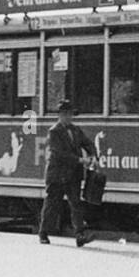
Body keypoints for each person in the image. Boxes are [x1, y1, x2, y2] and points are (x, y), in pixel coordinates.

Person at [39, 99, 97, 246]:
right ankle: (43, 232)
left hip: (73, 174)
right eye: (65, 114)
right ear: (60, 115)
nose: (68, 117)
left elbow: (88, 143)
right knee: (52, 204)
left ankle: (80, 235)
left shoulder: (76, 130)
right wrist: (80, 160)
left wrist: (93, 156)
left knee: (76, 204)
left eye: (70, 114)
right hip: (57, 174)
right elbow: (59, 154)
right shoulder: (54, 131)